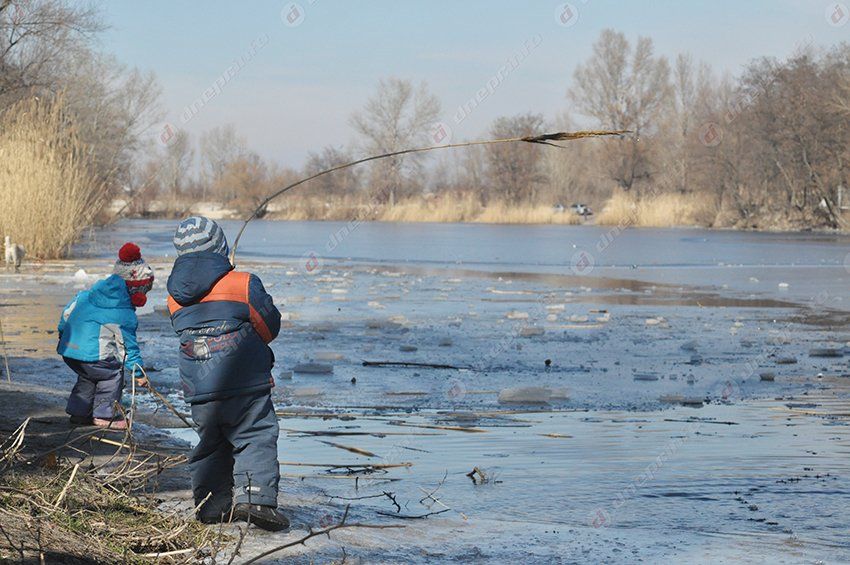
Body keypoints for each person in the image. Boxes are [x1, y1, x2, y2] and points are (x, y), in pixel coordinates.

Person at [166, 216, 288, 531]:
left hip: (200, 388)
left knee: (211, 442)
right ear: (221, 248)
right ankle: (256, 499)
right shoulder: (243, 283)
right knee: (255, 435)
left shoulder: (174, 296)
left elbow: (185, 330)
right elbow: (268, 324)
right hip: (245, 382)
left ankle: (210, 507)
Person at [59, 243, 154, 430]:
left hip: (69, 351)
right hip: (90, 356)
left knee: (89, 374)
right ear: (135, 289)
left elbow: (66, 316)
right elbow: (127, 348)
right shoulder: (122, 313)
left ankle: (79, 413)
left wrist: (64, 337)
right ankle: (103, 415)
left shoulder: (86, 295)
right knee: (112, 374)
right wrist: (139, 374)